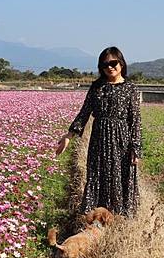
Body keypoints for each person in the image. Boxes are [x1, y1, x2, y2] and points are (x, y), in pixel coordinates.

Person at [55, 46, 142, 217]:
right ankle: (95, 215)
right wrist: (69, 135)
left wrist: (136, 148)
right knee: (97, 172)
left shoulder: (130, 88)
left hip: (122, 139)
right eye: (104, 64)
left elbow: (135, 120)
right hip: (99, 138)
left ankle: (119, 215)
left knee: (120, 173)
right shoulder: (96, 87)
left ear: (121, 63)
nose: (109, 67)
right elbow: (84, 112)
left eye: (113, 63)